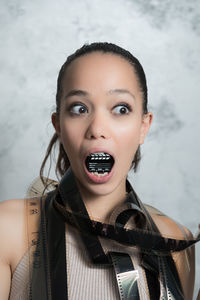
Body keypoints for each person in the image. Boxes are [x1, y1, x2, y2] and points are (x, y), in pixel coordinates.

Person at [0, 42, 199, 300]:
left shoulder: (175, 240)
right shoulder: (8, 228)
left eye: (121, 109)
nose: (97, 128)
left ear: (143, 126)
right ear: (58, 124)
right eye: (79, 109)